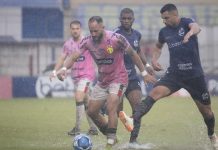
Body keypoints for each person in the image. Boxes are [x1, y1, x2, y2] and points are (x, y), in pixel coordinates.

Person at [56, 16, 157, 148]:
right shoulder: (87, 41)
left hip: (119, 78)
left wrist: (144, 72)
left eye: (96, 31)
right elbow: (74, 55)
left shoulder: (116, 39)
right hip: (103, 81)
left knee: (111, 105)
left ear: (102, 27)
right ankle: (109, 133)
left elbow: (133, 53)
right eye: (91, 31)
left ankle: (110, 140)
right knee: (91, 111)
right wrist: (64, 68)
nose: (93, 34)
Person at [127, 3, 218, 149]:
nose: (164, 20)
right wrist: (154, 59)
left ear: (175, 14)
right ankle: (133, 119)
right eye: (162, 18)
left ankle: (212, 135)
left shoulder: (186, 22)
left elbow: (196, 27)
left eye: (166, 17)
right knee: (154, 93)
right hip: (174, 74)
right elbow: (158, 46)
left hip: (195, 76)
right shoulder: (164, 31)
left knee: (207, 112)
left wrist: (190, 33)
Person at [49, 20, 98, 136]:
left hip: (87, 75)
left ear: (80, 29)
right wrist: (55, 71)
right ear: (70, 30)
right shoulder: (67, 44)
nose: (75, 30)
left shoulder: (87, 41)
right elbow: (62, 58)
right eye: (73, 28)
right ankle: (94, 127)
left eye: (77, 28)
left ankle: (77, 128)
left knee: (78, 97)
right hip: (75, 77)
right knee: (87, 102)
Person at [114, 8, 154, 132]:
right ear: (120, 19)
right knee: (117, 110)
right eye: (124, 18)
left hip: (132, 77)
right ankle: (114, 130)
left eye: (129, 18)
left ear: (133, 20)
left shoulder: (137, 34)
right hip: (117, 78)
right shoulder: (115, 34)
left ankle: (134, 140)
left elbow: (138, 51)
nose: (126, 21)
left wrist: (146, 65)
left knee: (138, 108)